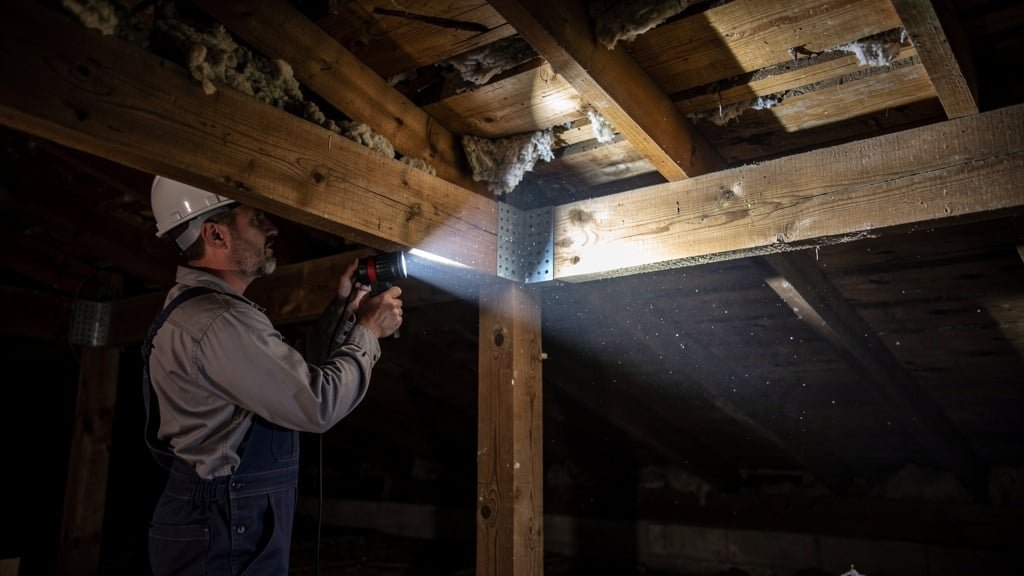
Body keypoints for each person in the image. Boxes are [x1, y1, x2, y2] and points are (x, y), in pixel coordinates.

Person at [142, 175, 403, 575]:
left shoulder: (204, 310)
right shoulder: (220, 321)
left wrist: (344, 309)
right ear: (215, 234)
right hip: (225, 522)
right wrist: (368, 332)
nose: (273, 227)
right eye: (257, 218)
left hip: (224, 515)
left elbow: (283, 381)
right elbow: (316, 403)